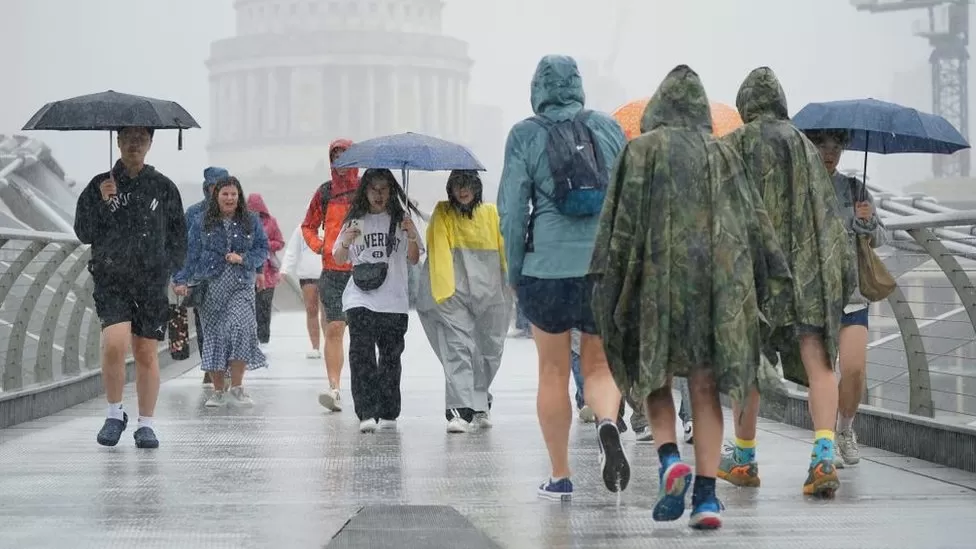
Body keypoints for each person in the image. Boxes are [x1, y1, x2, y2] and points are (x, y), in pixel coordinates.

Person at [591, 64, 791, 529]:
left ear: (658, 106)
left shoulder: (638, 152)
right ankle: (704, 496)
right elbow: (755, 223)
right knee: (703, 388)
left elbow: (616, 230)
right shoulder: (722, 155)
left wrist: (606, 285)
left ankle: (667, 461)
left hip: (654, 287)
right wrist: (773, 283)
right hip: (713, 291)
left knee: (655, 380)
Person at [497, 54, 628, 501]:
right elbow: (628, 197)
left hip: (546, 270)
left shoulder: (525, 135)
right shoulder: (608, 128)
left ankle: (560, 475)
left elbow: (513, 212)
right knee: (599, 365)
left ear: (537, 88)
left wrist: (515, 271)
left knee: (552, 371)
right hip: (601, 267)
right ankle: (609, 423)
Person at [720, 67, 855, 496]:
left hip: (754, 277)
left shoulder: (733, 145)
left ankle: (743, 459)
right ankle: (822, 458)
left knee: (747, 365)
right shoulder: (802, 146)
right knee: (819, 362)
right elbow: (827, 217)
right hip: (806, 275)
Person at [73, 126, 187, 449]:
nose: (134, 144)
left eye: (141, 139)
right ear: (118, 142)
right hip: (112, 279)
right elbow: (84, 231)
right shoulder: (100, 185)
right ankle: (113, 413)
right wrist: (101, 201)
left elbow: (179, 234)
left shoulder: (163, 187)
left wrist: (172, 268)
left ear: (150, 143)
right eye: (128, 138)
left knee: (146, 352)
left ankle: (146, 423)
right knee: (114, 342)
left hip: (151, 282)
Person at [805, 129, 888, 468]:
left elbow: (881, 238)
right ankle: (823, 444)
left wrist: (866, 222)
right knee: (822, 373)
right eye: (822, 146)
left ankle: (844, 431)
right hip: (815, 295)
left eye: (836, 146)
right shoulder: (801, 189)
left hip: (852, 295)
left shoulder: (854, 189)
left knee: (853, 369)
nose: (830, 152)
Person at [331, 169, 423, 433]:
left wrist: (412, 234)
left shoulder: (400, 219)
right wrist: (346, 242)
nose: (379, 194)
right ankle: (366, 412)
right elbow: (339, 258)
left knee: (391, 358)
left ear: (391, 191)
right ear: (365, 191)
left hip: (394, 300)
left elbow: (414, 258)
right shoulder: (355, 221)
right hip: (360, 297)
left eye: (384, 189)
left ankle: (388, 410)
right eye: (373, 189)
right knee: (361, 356)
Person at [416, 170, 508, 433]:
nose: (462, 189)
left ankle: (479, 402)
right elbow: (438, 251)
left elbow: (504, 250)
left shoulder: (491, 214)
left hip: (490, 295)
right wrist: (444, 294)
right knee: (459, 349)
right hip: (453, 296)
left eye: (467, 183)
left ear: (476, 187)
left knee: (489, 351)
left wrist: (513, 280)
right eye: (457, 184)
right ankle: (459, 410)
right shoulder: (443, 213)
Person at [174, 176, 270, 406]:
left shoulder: (251, 221)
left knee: (241, 328)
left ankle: (237, 386)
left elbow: (262, 248)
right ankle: (218, 391)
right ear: (216, 197)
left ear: (239, 197)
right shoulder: (201, 222)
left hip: (241, 285)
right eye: (225, 194)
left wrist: (244, 258)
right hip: (211, 285)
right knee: (215, 335)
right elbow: (190, 253)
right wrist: (181, 279)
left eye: (233, 194)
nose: (229, 198)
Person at [301, 139, 360, 412]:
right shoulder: (325, 192)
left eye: (345, 155)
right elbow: (308, 226)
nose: (340, 161)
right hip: (333, 271)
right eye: (335, 156)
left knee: (361, 334)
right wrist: (320, 246)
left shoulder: (366, 190)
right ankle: (334, 387)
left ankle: (363, 387)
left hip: (362, 271)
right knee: (335, 328)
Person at [185, 167, 228, 384]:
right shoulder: (193, 213)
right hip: (202, 278)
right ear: (206, 188)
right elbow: (184, 246)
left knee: (229, 324)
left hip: (230, 277)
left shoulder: (237, 211)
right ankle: (210, 368)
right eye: (213, 186)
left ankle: (225, 366)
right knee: (204, 326)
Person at [281, 224, 329, 358]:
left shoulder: (332, 224)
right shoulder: (301, 229)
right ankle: (315, 347)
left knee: (326, 311)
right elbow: (292, 250)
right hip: (307, 274)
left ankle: (329, 345)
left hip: (328, 272)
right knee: (311, 310)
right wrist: (285, 269)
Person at [247, 193, 285, 348]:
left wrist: (266, 244)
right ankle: (252, 339)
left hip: (268, 273)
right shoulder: (243, 223)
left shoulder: (271, 222)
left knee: (264, 307)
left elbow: (280, 242)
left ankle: (263, 338)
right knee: (251, 308)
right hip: (249, 272)